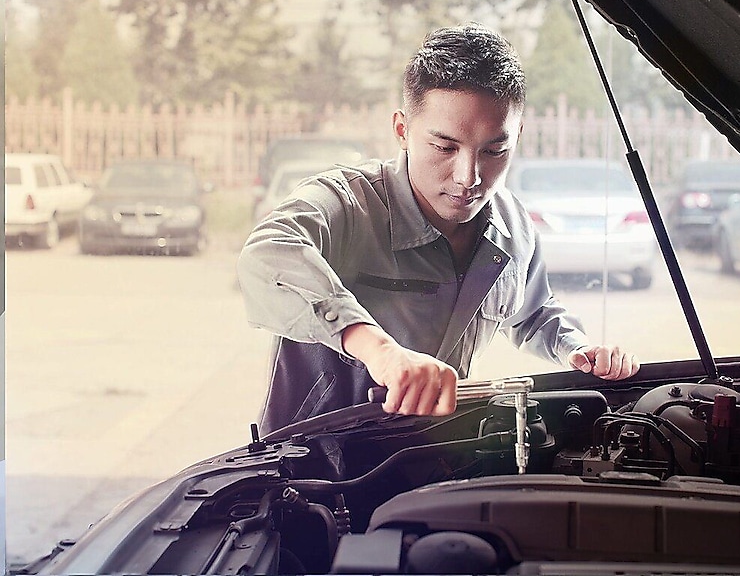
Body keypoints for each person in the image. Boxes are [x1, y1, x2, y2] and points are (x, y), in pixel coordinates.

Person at [238, 23, 641, 434]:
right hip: (309, 470)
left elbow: (533, 313)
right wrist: (380, 351)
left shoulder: (513, 227)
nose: (470, 176)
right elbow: (268, 254)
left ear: (517, 134)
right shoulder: (346, 203)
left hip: (431, 459)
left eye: (494, 150)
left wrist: (579, 349)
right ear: (402, 130)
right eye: (445, 147)